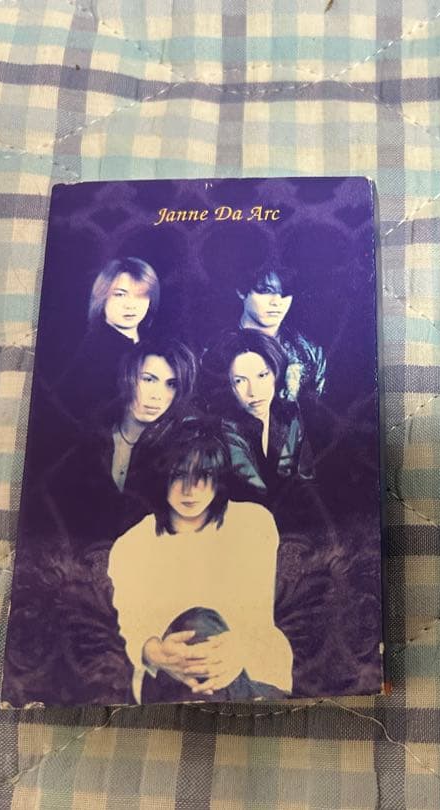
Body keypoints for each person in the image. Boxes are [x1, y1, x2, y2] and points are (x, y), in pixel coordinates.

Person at [107, 415, 293, 703]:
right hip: (169, 679)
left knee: (203, 623)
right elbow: (133, 626)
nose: (190, 490)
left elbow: (257, 616)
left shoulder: (254, 524)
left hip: (252, 670)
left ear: (218, 476)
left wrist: (237, 651)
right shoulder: (132, 545)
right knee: (196, 623)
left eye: (203, 475)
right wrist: (155, 652)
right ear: (162, 476)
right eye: (179, 475)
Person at [39, 337, 197, 552]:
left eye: (171, 384)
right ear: (128, 378)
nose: (157, 395)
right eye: (149, 379)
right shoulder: (87, 440)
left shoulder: (180, 453)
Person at [200, 329, 314, 503]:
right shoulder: (223, 428)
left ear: (276, 373)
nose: (253, 391)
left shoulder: (289, 414)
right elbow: (252, 491)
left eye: (262, 375)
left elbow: (306, 478)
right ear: (228, 384)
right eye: (239, 380)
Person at [57, 257, 162, 425]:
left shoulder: (149, 343)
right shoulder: (94, 350)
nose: (131, 305)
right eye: (120, 294)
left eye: (141, 295)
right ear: (102, 297)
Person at [235, 261, 325, 406]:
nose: (277, 302)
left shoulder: (309, 352)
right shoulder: (216, 350)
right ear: (241, 291)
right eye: (266, 290)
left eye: (285, 292)